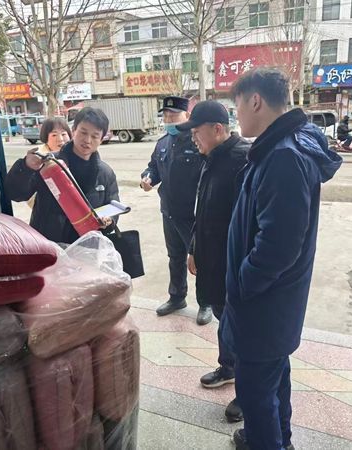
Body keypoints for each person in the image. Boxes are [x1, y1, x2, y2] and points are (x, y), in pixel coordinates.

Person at [224, 68, 342, 450]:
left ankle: (267, 441)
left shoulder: (284, 157)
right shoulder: (279, 148)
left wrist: (244, 281)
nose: (236, 115)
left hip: (265, 303)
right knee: (274, 378)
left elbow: (279, 245)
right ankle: (280, 439)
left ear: (255, 101)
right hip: (273, 303)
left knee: (256, 390)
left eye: (237, 106)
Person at [175, 100, 249, 422]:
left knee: (240, 327)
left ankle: (248, 391)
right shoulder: (211, 157)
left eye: (196, 131)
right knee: (222, 317)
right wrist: (194, 247)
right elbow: (202, 208)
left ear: (217, 129)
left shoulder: (243, 160)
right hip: (211, 259)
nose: (193, 137)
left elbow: (248, 223)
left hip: (233, 264)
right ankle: (228, 367)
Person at [5, 107, 117, 244]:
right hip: (49, 246)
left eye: (94, 136)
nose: (88, 140)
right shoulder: (49, 164)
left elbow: (112, 207)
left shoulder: (105, 173)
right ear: (73, 131)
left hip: (87, 248)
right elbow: (16, 194)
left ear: (101, 139)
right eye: (83, 132)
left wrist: (109, 221)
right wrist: (26, 167)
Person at [140, 96, 206, 323]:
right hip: (168, 211)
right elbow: (153, 167)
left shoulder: (197, 142)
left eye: (174, 115)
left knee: (200, 259)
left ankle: (205, 302)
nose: (169, 120)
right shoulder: (162, 143)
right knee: (175, 256)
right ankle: (177, 297)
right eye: (166, 116)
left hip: (192, 215)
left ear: (187, 116)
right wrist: (148, 178)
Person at [26, 117, 72, 208]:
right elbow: (30, 197)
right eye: (54, 135)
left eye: (63, 134)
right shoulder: (37, 160)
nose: (60, 139)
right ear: (45, 138)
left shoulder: (75, 154)